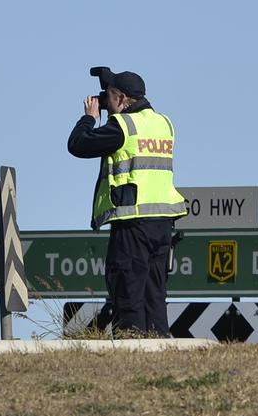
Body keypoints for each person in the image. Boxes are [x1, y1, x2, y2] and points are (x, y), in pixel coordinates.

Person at [67, 69, 187, 335]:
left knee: (127, 286)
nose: (105, 102)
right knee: (154, 291)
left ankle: (131, 341)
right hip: (163, 223)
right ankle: (158, 343)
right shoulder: (163, 123)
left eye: (108, 97)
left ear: (122, 99)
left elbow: (77, 144)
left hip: (133, 221)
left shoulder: (122, 127)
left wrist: (89, 118)